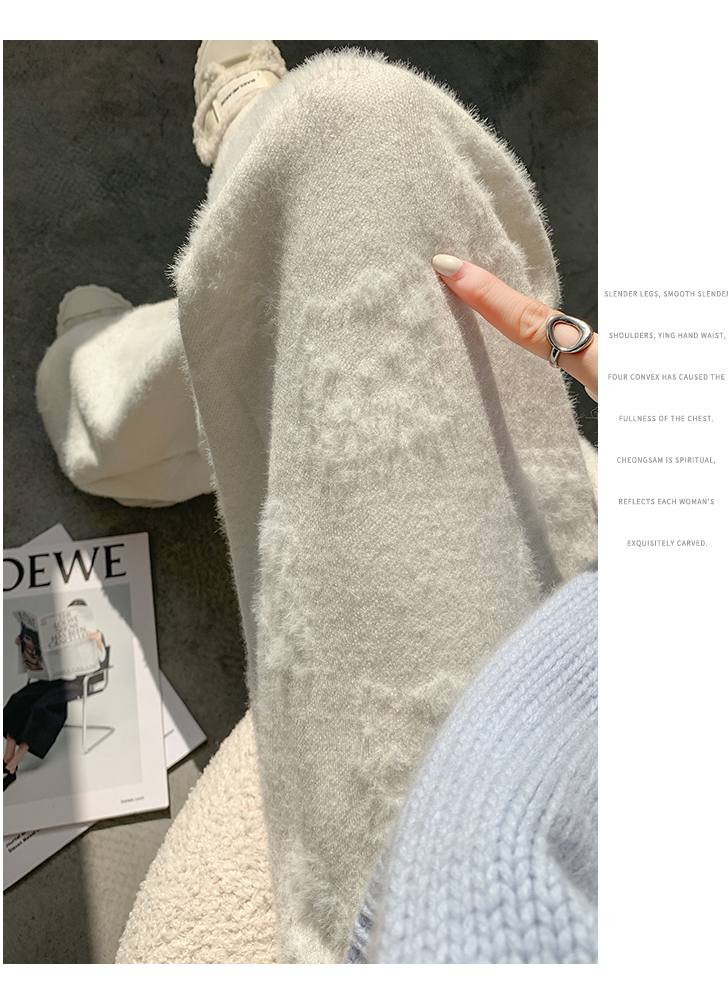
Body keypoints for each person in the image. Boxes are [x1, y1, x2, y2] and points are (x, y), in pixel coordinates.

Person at [36, 42, 597, 962]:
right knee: (431, 366)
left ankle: (112, 391)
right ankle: (246, 207)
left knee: (351, 140)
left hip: (446, 865)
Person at [3, 600, 109, 791]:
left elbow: (102, 661)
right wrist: (24, 645)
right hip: (53, 679)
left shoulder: (95, 634)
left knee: (43, 708)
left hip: (76, 681)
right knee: (19, 699)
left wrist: (99, 642)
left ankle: (14, 762)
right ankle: (7, 754)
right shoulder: (58, 636)